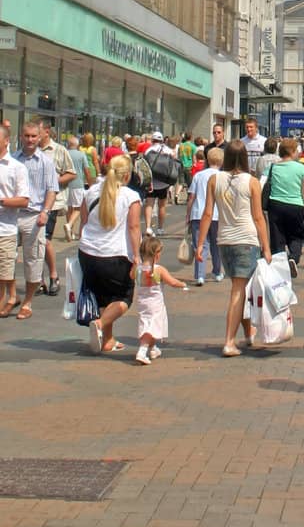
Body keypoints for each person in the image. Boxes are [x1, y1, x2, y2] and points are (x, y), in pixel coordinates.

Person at [197, 140, 271, 357]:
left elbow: (208, 214)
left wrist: (200, 244)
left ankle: (248, 333)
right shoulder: (252, 182)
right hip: (246, 240)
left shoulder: (214, 179)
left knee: (242, 287)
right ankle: (229, 341)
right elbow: (258, 217)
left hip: (224, 241)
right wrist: (266, 247)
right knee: (239, 290)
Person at [78, 153, 142, 355]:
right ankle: (100, 324)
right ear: (126, 175)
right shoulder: (131, 196)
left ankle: (108, 339)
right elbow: (134, 227)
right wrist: (137, 256)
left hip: (88, 252)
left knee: (104, 298)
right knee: (124, 297)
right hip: (115, 255)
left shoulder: (91, 192)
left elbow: (83, 222)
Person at [12, 121, 59, 320]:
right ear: (20, 136)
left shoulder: (46, 162)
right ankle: (11, 296)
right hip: (10, 216)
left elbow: (52, 189)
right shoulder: (12, 159)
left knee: (33, 260)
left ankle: (27, 301)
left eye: (33, 136)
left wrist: (45, 212)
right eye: (27, 136)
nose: (30, 140)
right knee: (6, 259)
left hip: (34, 216)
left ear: (40, 137)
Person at [135, 233, 187, 365]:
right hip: (156, 305)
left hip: (142, 303)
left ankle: (153, 348)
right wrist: (182, 284)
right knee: (152, 326)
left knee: (147, 324)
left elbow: (131, 276)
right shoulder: (159, 270)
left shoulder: (138, 269)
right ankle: (142, 350)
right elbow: (172, 282)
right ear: (156, 255)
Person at [37, 121, 76, 295]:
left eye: (36, 133)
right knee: (33, 243)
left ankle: (53, 275)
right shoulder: (28, 152)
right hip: (31, 203)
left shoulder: (59, 150)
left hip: (52, 202)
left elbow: (71, 173)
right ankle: (38, 279)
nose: (32, 137)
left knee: (44, 240)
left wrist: (54, 181)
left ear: (46, 132)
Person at [263, 138, 304, 276]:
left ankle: (279, 266)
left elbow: (262, 183)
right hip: (296, 206)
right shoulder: (301, 168)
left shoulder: (272, 167)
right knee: (296, 236)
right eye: (296, 150)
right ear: (292, 151)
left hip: (275, 205)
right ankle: (293, 258)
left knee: (277, 237)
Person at [0, 124, 29, 317]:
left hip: (5, 231)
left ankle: (10, 298)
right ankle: (11, 297)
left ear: (6, 141)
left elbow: (24, 200)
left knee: (3, 275)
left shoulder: (16, 168)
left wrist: (1, 201)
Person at [186, 147, 223, 284]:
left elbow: (191, 197)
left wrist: (188, 215)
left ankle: (200, 275)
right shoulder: (222, 176)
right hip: (216, 215)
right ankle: (217, 272)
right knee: (216, 244)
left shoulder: (199, 176)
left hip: (197, 214)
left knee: (200, 245)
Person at [143, 132, 177, 236]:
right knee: (162, 205)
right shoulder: (168, 150)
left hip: (151, 183)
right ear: (162, 140)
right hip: (164, 183)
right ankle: (160, 228)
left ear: (152, 140)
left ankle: (148, 227)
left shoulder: (148, 151)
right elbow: (174, 163)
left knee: (149, 204)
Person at [63, 134, 93, 243]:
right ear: (77, 144)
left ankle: (70, 231)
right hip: (78, 183)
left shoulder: (64, 154)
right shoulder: (81, 155)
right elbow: (86, 170)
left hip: (65, 184)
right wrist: (90, 183)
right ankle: (69, 224)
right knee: (78, 208)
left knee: (69, 207)